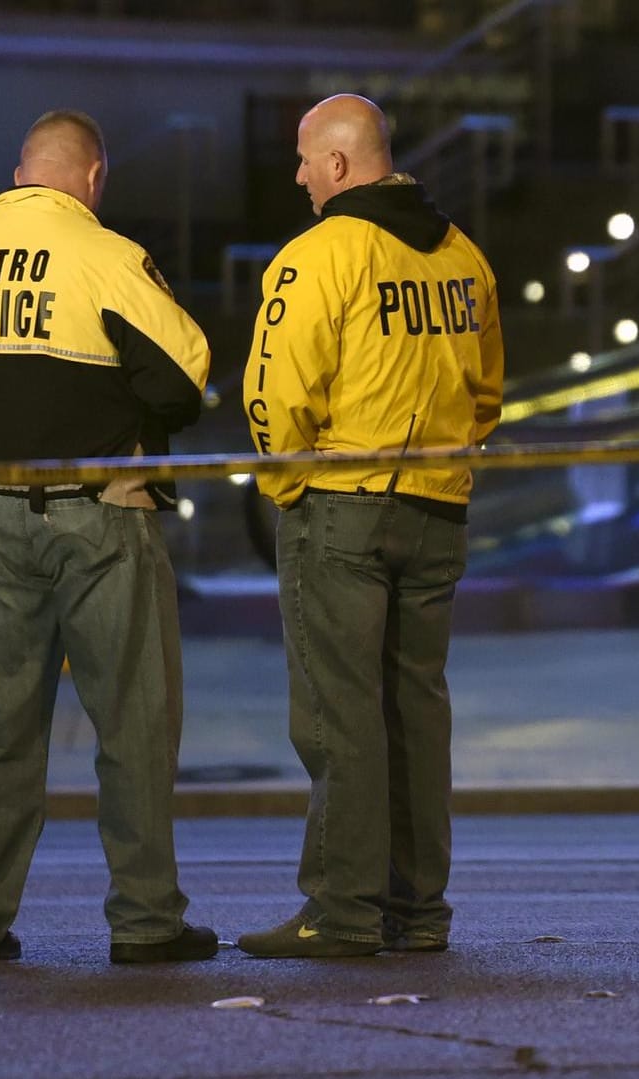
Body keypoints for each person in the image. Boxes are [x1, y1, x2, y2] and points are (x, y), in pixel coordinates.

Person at [0, 109, 217, 965]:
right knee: (133, 722)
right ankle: (147, 923)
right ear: (93, 177)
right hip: (101, 513)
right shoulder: (107, 257)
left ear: (18, 172)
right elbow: (185, 380)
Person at [239, 94, 503, 958]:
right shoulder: (463, 256)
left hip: (343, 507)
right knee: (416, 714)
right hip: (440, 506)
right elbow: (488, 393)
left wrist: (289, 489)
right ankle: (418, 910)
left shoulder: (320, 254)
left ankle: (342, 910)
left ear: (342, 166)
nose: (300, 175)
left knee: (338, 715)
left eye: (309, 160)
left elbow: (277, 394)